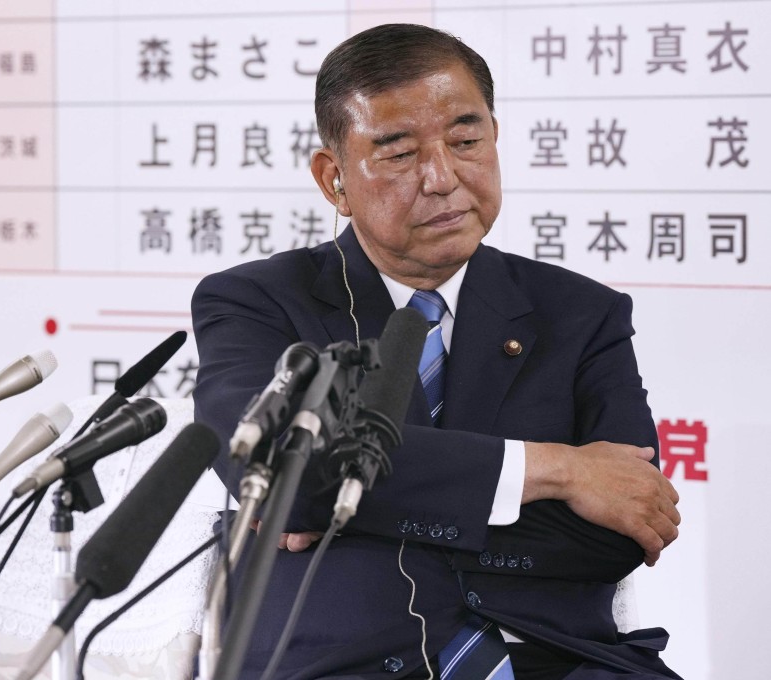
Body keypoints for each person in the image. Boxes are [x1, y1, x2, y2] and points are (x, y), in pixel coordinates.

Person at [191, 23, 681, 680]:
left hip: (556, 661)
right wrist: (556, 471)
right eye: (399, 153)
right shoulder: (259, 301)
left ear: (495, 139)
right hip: (338, 664)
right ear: (334, 179)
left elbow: (627, 523)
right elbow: (278, 467)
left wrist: (348, 510)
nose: (443, 177)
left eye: (466, 142)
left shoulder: (581, 312)